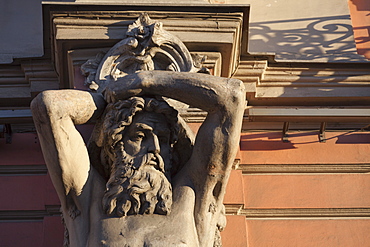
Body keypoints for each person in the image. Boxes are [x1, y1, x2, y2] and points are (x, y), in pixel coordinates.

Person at [31, 71, 245, 247]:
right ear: (115, 147)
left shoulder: (193, 197)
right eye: (140, 137)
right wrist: (107, 99)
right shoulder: (89, 201)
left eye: (162, 139)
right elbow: (50, 107)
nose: (154, 148)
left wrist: (147, 81)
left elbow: (231, 98)